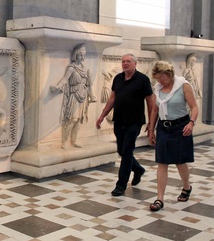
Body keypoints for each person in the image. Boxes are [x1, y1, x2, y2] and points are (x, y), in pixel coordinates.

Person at [96, 53, 154, 196]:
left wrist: (151, 124)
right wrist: (102, 115)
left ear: (135, 63)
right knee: (122, 151)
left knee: (127, 151)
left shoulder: (143, 79)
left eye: (128, 61)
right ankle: (138, 169)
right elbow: (112, 98)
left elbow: (150, 102)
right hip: (119, 120)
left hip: (134, 121)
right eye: (123, 61)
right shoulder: (118, 78)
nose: (125, 63)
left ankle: (121, 185)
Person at [147, 61, 199, 211]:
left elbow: (194, 107)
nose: (160, 80)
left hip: (180, 127)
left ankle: (186, 186)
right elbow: (155, 110)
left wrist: (191, 123)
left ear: (169, 74)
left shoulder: (183, 85)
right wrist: (151, 129)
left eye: (162, 77)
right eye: (157, 78)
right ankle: (160, 198)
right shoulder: (157, 89)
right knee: (162, 162)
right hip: (163, 127)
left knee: (179, 162)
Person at [51, 44, 96, 149]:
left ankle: (74, 141)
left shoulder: (86, 70)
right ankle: (64, 142)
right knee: (72, 119)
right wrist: (58, 86)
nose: (82, 57)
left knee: (79, 120)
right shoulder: (71, 68)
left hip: (83, 96)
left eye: (83, 55)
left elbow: (89, 85)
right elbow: (65, 79)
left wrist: (92, 95)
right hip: (74, 95)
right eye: (80, 55)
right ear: (76, 55)